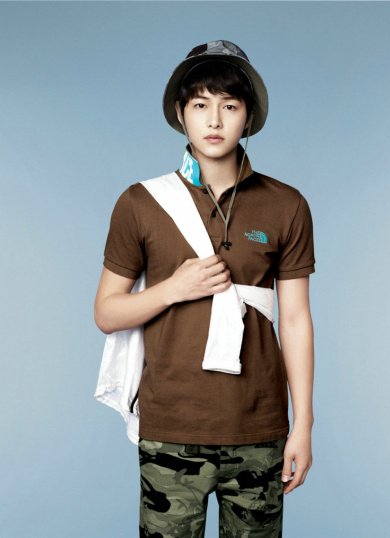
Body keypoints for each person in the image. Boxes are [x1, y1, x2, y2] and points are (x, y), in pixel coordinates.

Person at [94, 39, 316, 538]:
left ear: (248, 116)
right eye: (200, 105)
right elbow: (106, 312)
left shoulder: (286, 204)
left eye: (229, 106)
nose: (214, 120)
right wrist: (174, 288)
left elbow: (295, 319)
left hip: (259, 429)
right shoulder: (141, 203)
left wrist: (303, 424)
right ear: (181, 113)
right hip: (171, 428)